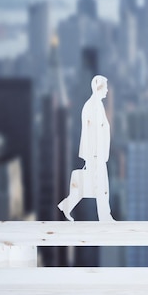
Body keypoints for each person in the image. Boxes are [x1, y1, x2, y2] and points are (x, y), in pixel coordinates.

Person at [58, 75, 115, 221]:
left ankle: (67, 205)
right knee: (99, 187)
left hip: (99, 154)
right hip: (95, 155)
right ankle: (104, 217)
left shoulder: (97, 105)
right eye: (105, 87)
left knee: (94, 186)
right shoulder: (92, 107)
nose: (107, 90)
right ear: (98, 88)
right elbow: (92, 133)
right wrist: (93, 156)